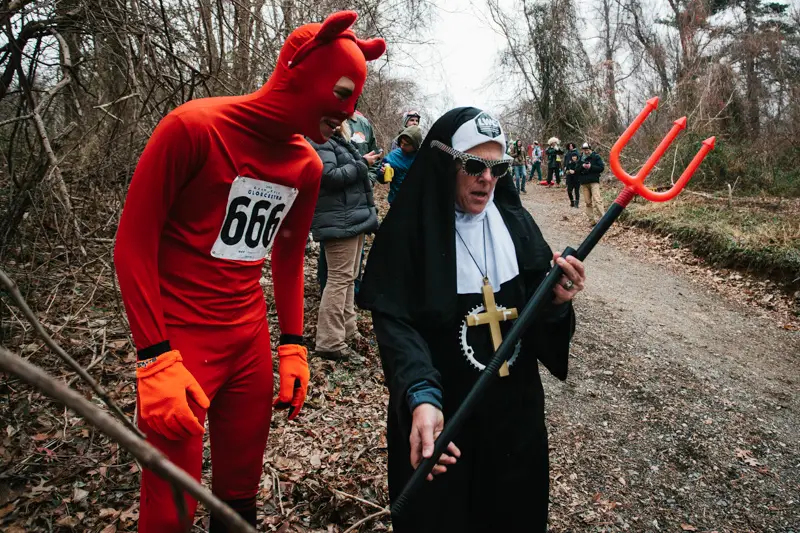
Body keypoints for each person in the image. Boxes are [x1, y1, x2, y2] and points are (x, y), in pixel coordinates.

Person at [113, 11, 385, 532]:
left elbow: (285, 253)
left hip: (248, 344)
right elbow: (133, 243)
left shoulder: (306, 164)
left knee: (239, 497)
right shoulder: (192, 128)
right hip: (181, 348)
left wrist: (293, 343)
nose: (347, 112)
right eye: (342, 91)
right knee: (172, 506)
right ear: (298, 73)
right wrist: (153, 356)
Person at [357, 108, 585, 532]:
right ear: (446, 163)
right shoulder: (411, 233)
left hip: (514, 422)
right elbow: (395, 325)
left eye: (498, 167)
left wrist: (556, 302)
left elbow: (542, 321)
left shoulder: (516, 224)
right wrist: (421, 396)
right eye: (474, 165)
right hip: (443, 419)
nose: (487, 178)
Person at [307, 122, 379, 361]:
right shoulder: (320, 140)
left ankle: (349, 329)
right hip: (339, 220)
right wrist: (362, 164)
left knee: (349, 276)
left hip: (352, 217)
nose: (339, 121)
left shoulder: (337, 141)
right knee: (339, 278)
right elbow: (328, 176)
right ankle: (330, 341)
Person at [379, 125, 422, 204]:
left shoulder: (422, 158)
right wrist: (382, 173)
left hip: (415, 203)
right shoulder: (392, 157)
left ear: (415, 145)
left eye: (406, 144)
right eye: (401, 142)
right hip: (396, 201)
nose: (402, 146)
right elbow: (381, 179)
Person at [579, 142, 605, 226]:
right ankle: (592, 221)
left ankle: (604, 219)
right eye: (584, 150)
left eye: (587, 150)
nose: (586, 152)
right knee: (588, 202)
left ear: (590, 149)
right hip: (584, 182)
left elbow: (601, 168)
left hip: (594, 181)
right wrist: (582, 166)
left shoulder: (596, 157)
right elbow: (576, 170)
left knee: (597, 200)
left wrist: (591, 167)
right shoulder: (580, 158)